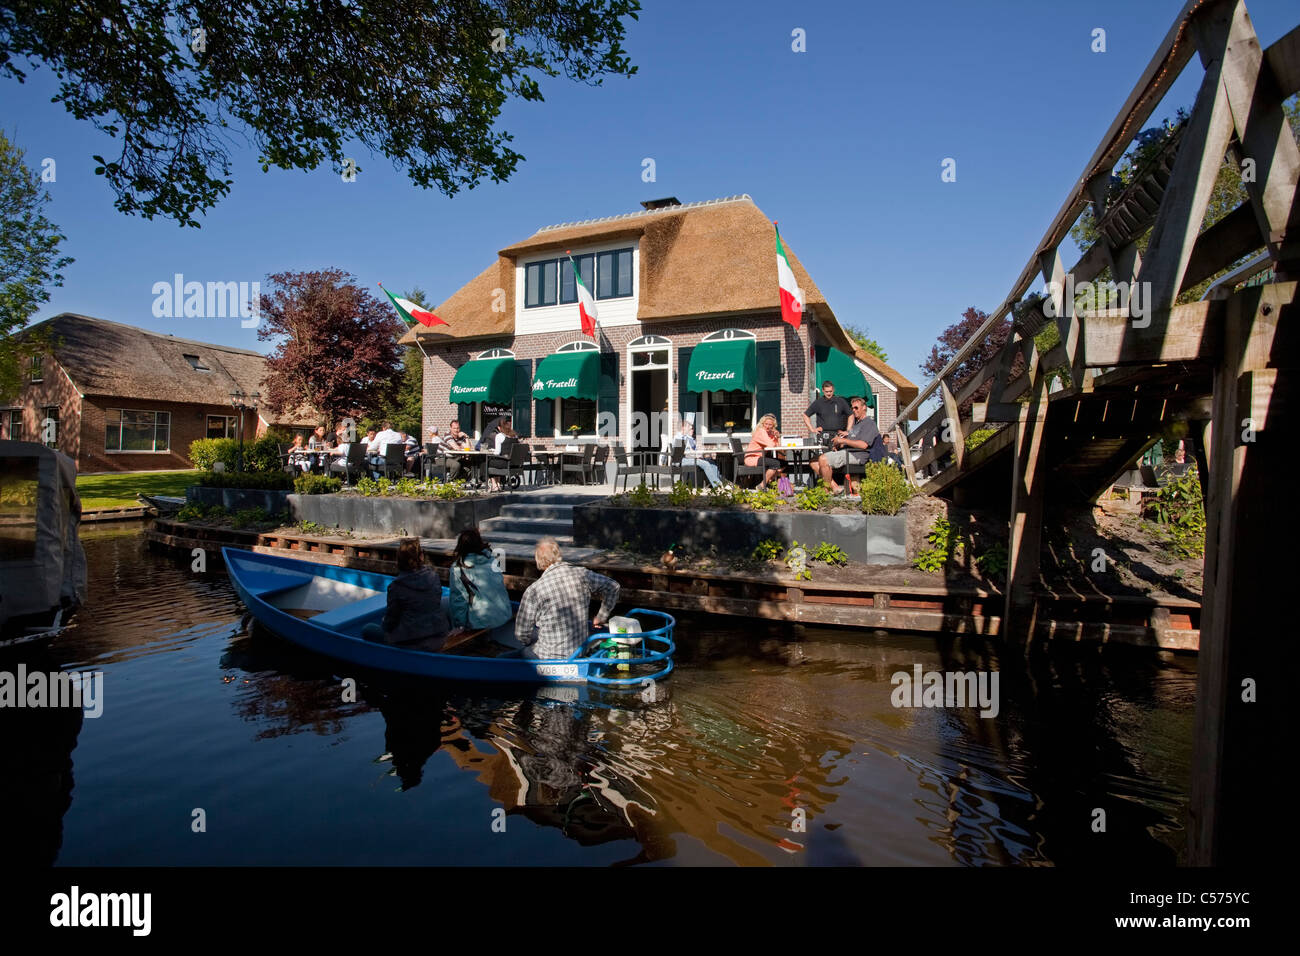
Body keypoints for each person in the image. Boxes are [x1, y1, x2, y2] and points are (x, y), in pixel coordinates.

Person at [515, 537, 619, 660]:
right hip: (579, 653)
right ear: (558, 554)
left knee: (523, 650)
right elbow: (613, 587)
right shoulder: (582, 574)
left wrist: (529, 641)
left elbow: (521, 634)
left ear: (538, 561)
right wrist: (601, 617)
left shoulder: (534, 590)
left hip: (547, 657)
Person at [361, 538, 451, 650]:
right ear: (421, 556)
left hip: (410, 642)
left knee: (368, 629)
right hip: (439, 637)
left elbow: (391, 621)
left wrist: (384, 623)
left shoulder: (396, 587)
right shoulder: (434, 577)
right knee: (446, 601)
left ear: (399, 560)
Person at [813, 396, 883, 495]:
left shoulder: (869, 423)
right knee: (814, 462)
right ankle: (835, 487)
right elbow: (851, 440)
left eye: (856, 408)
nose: (853, 410)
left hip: (858, 455)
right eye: (852, 408)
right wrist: (839, 443)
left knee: (823, 459)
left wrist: (843, 441)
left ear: (864, 408)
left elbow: (863, 445)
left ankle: (826, 493)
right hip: (848, 452)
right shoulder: (856, 424)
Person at [448, 529, 513, 631]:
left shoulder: (457, 568)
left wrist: (459, 626)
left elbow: (458, 601)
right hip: (504, 614)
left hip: (481, 622)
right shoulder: (492, 559)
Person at [676, 419, 724, 488]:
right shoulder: (680, 438)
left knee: (710, 461)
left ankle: (719, 481)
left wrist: (699, 453)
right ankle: (718, 486)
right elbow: (681, 453)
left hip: (690, 458)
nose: (692, 429)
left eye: (692, 428)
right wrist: (695, 455)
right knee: (705, 463)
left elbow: (692, 450)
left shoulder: (690, 438)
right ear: (683, 428)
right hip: (681, 460)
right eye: (690, 428)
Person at [745, 413, 787, 490]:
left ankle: (767, 480)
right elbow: (771, 445)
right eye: (766, 424)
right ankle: (762, 485)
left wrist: (778, 437)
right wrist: (773, 438)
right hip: (752, 458)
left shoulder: (769, 434)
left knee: (784, 463)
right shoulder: (761, 431)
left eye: (770, 425)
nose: (767, 426)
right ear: (762, 424)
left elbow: (778, 446)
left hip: (760, 457)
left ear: (773, 426)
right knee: (776, 464)